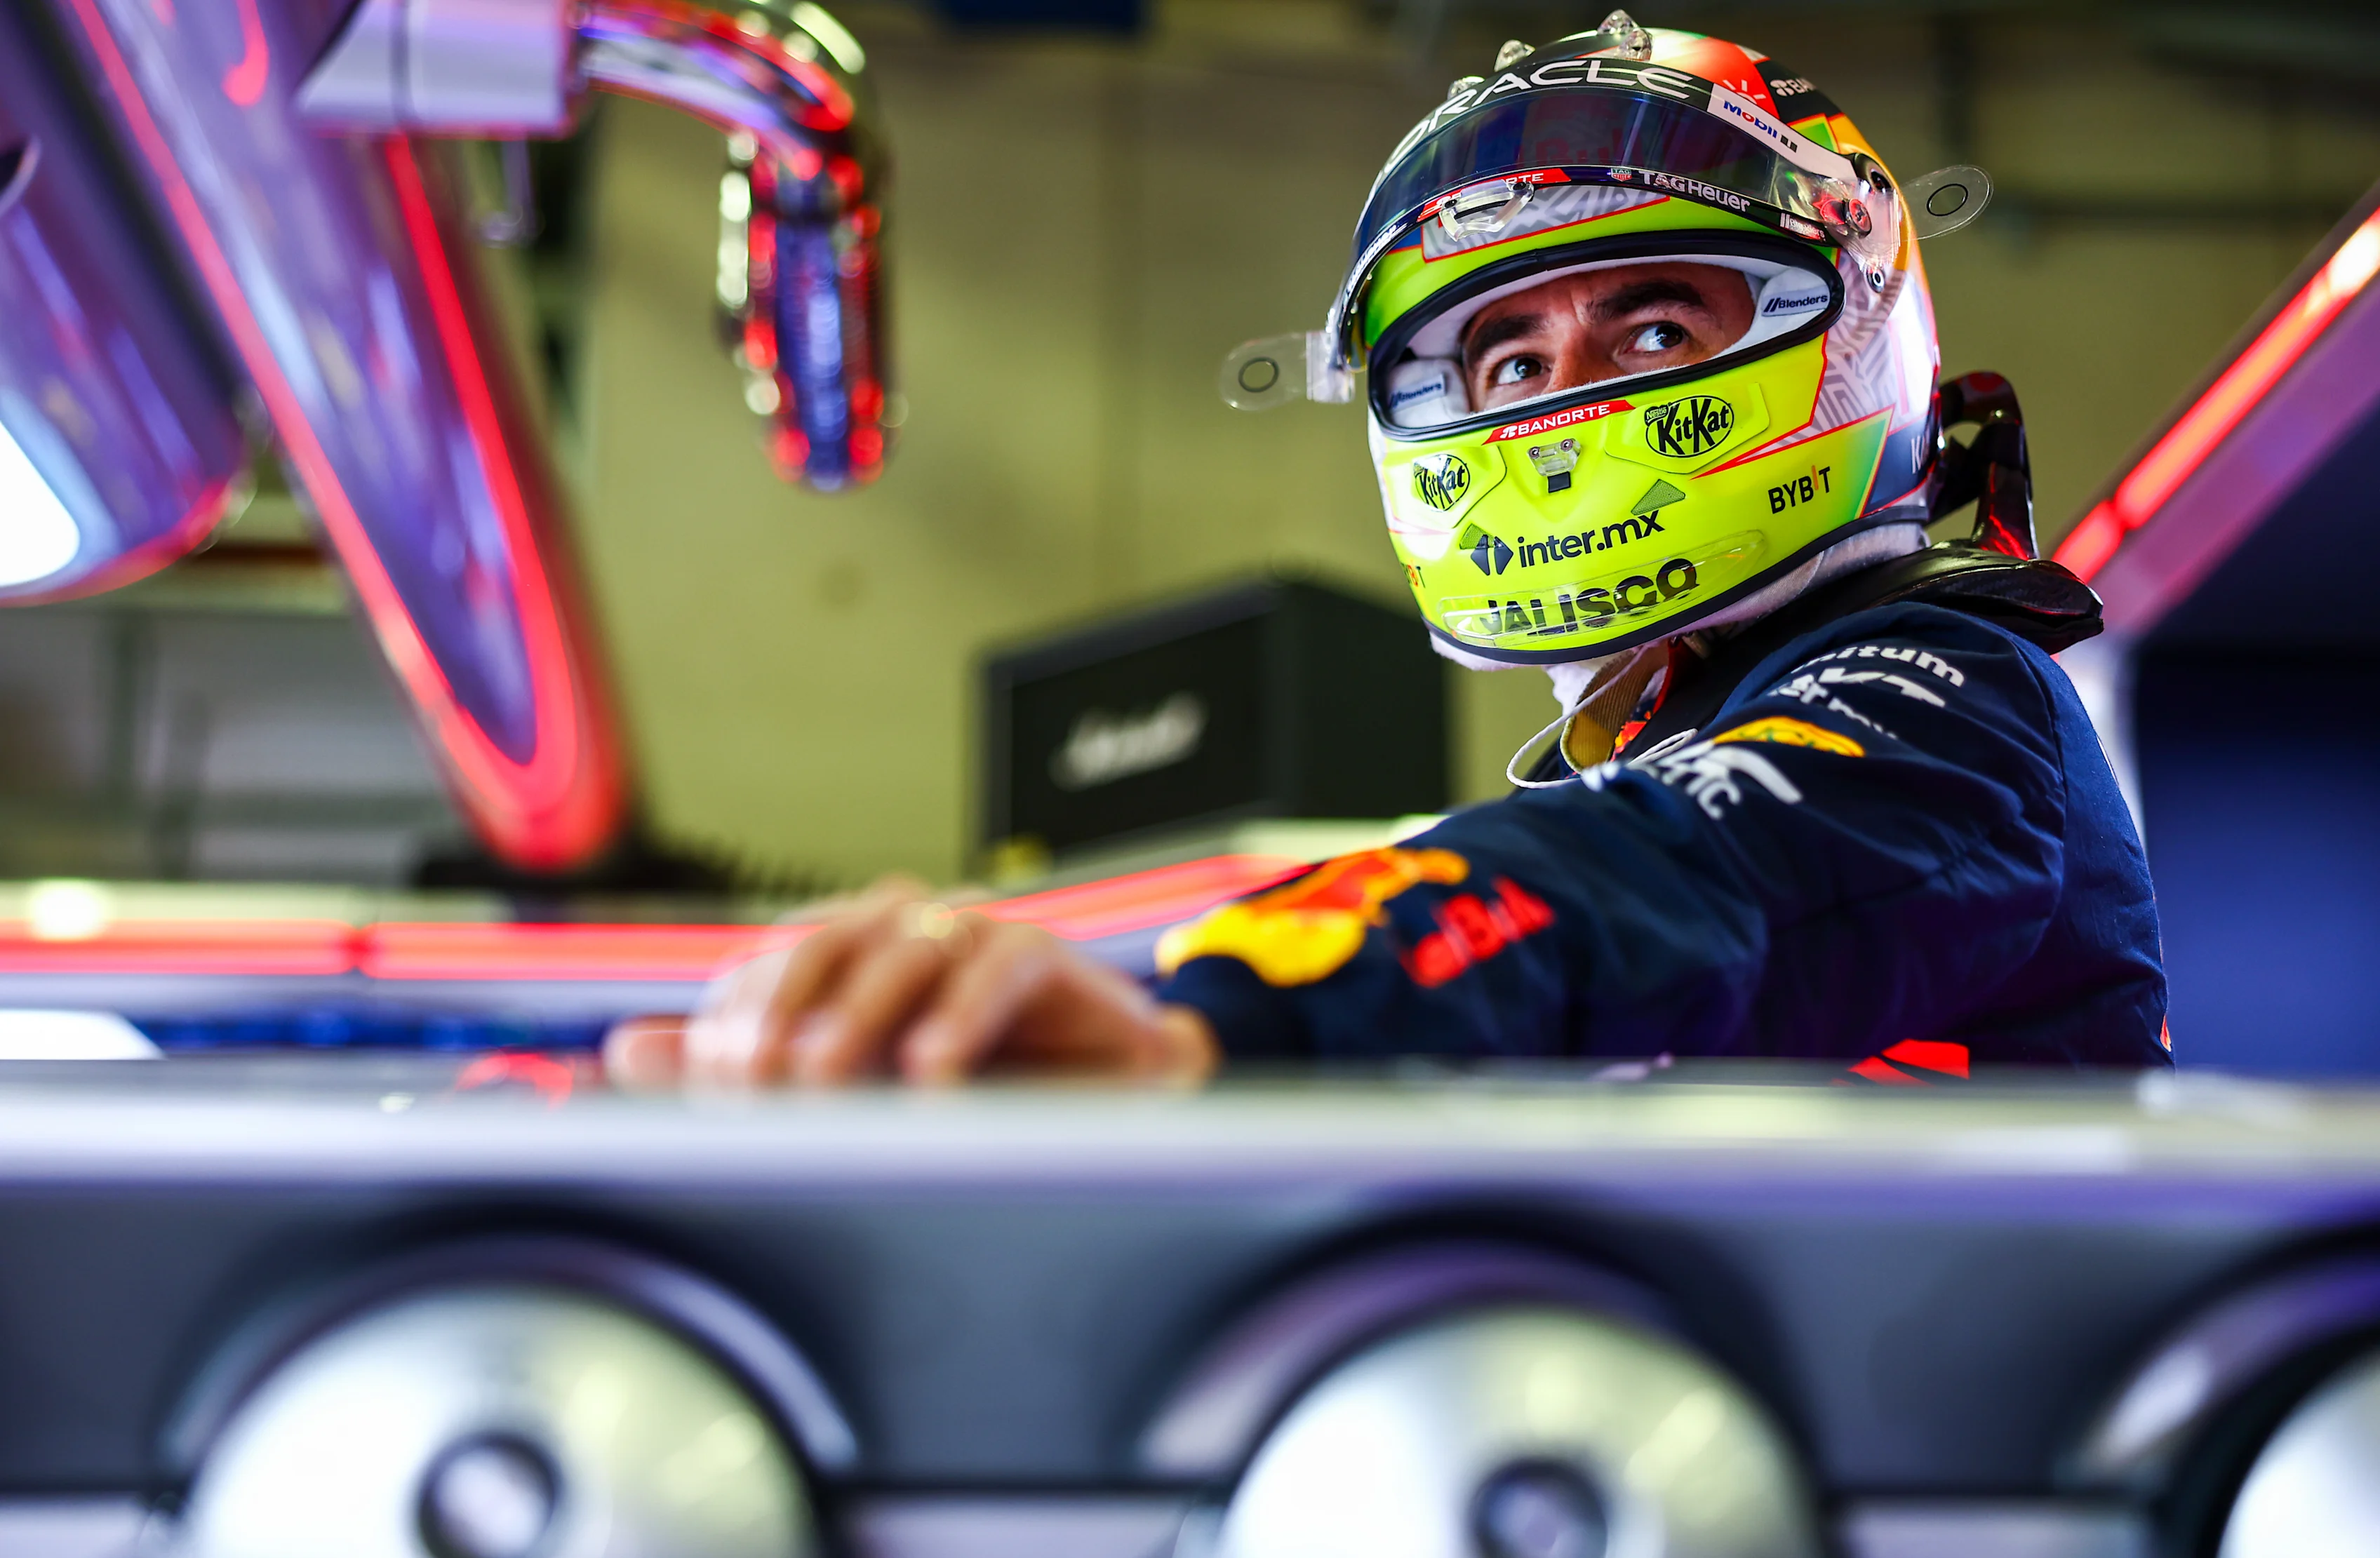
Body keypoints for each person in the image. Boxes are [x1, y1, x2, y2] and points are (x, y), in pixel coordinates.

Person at [607, 13, 2167, 1092]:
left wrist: (1214, 1019)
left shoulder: (1953, 695)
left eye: (1649, 320)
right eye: (1504, 362)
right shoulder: (1619, 776)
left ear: (1849, 339)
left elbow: (1693, 876)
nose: (1565, 401)